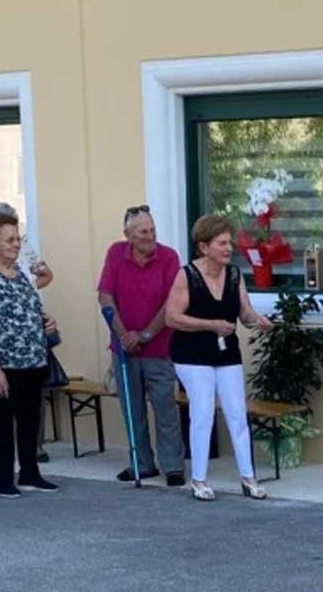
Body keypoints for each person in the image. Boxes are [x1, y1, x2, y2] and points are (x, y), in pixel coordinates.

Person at [165, 214, 272, 502]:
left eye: (230, 242)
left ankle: (248, 478)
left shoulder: (235, 275)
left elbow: (245, 312)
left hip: (226, 351)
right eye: (222, 243)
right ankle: (199, 480)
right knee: (202, 411)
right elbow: (172, 317)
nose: (229, 248)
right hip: (191, 354)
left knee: (237, 413)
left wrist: (257, 320)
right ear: (203, 247)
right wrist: (211, 324)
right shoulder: (186, 275)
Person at [0, 211, 60, 498]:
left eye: (17, 239)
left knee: (30, 419)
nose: (16, 245)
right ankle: (2, 479)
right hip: (4, 362)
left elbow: (27, 307)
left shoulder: (19, 272)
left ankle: (30, 473)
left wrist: (45, 321)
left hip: (33, 358)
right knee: (2, 421)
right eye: (9, 240)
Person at [97, 205, 185, 486]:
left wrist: (145, 335)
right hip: (124, 350)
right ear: (128, 235)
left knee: (164, 407)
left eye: (153, 230)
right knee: (132, 409)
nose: (150, 236)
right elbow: (105, 296)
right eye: (143, 231)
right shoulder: (115, 253)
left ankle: (172, 466)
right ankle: (141, 463)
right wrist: (124, 334)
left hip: (159, 348)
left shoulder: (169, 257)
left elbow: (171, 303)